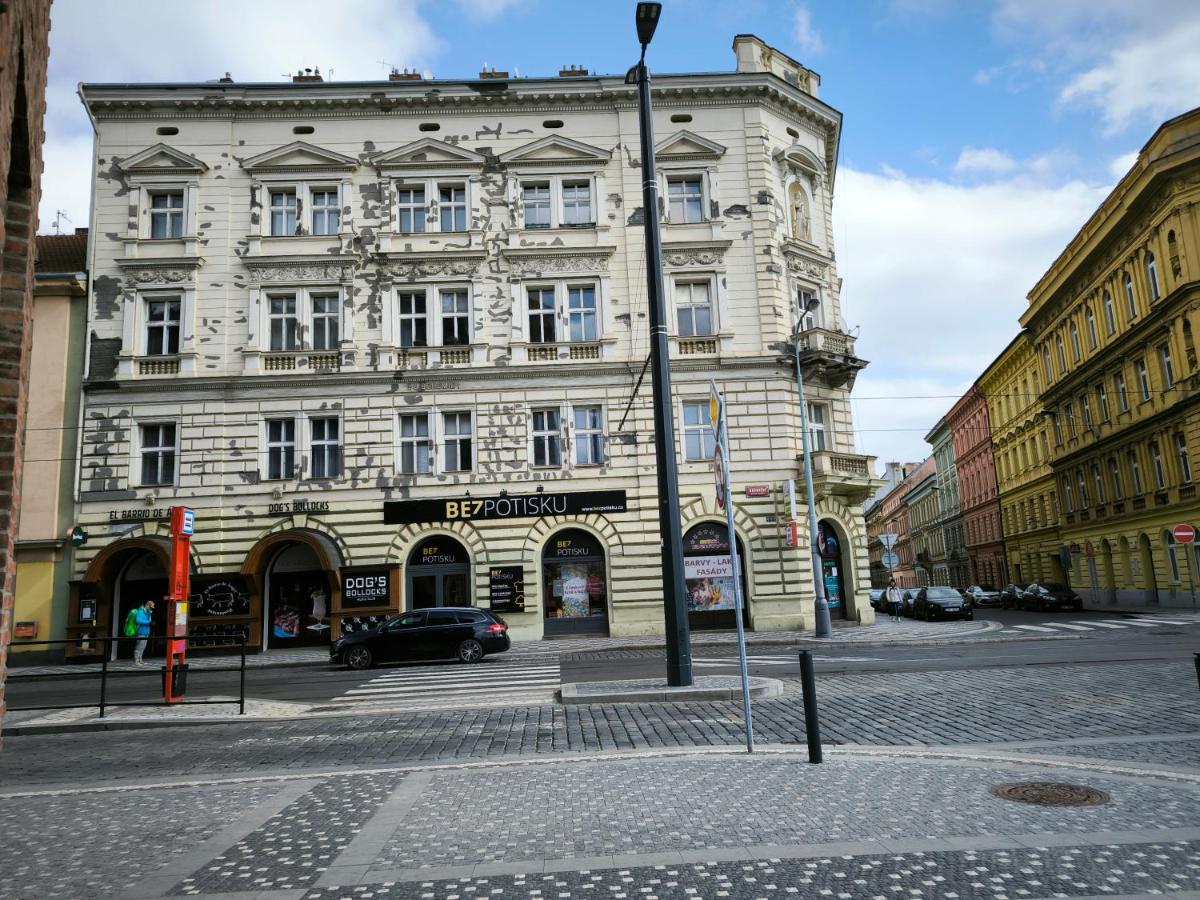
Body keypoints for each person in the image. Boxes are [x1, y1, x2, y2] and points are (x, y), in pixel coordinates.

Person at [133, 600, 155, 666]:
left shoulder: (148, 612)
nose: (151, 609)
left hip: (146, 632)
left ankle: (140, 660)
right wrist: (148, 622)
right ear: (147, 605)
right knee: (139, 647)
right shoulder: (140, 611)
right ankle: (136, 661)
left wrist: (150, 617)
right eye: (150, 607)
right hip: (141, 632)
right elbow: (138, 620)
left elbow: (149, 621)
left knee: (143, 647)